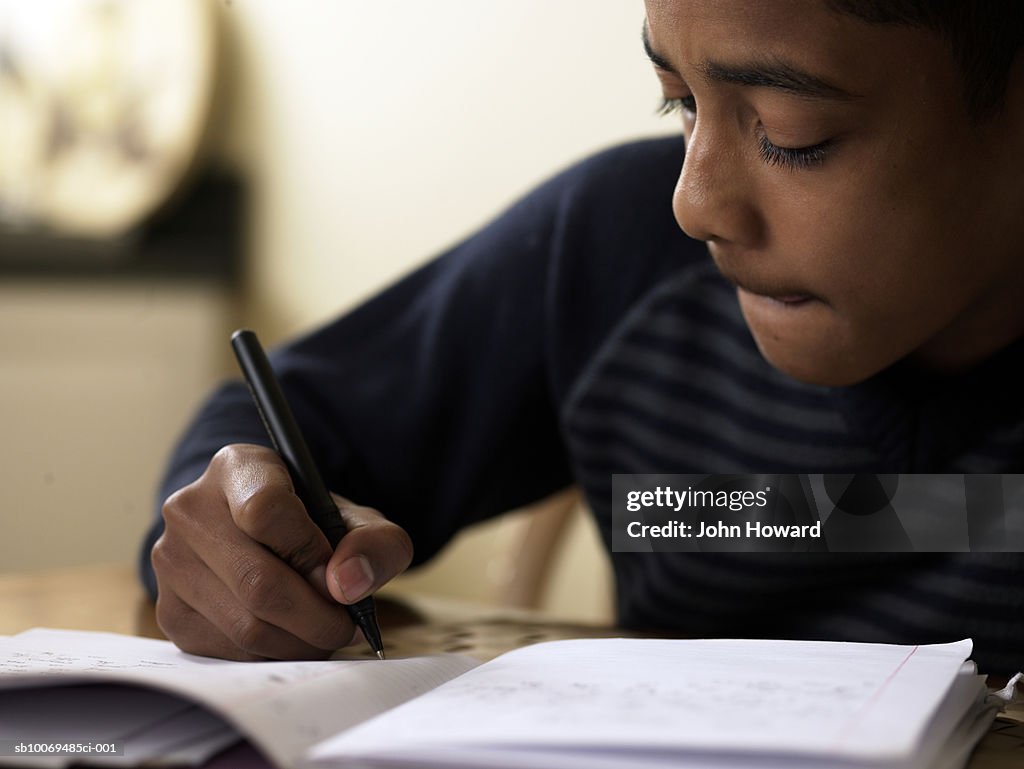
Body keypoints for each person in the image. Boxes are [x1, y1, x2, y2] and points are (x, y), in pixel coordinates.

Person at [140, 1, 1024, 672]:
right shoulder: (613, 259)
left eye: (793, 135)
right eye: (676, 102)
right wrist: (239, 536)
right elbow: (272, 427)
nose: (695, 202)